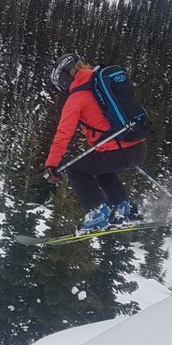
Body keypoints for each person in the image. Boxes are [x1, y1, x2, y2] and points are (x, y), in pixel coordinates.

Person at [43, 53, 148, 233]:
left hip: (117, 152)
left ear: (65, 77)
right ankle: (123, 207)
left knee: (74, 167)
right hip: (138, 147)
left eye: (60, 84)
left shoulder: (77, 98)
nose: (62, 88)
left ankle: (98, 212)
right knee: (100, 167)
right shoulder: (102, 84)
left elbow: (63, 134)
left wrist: (52, 164)